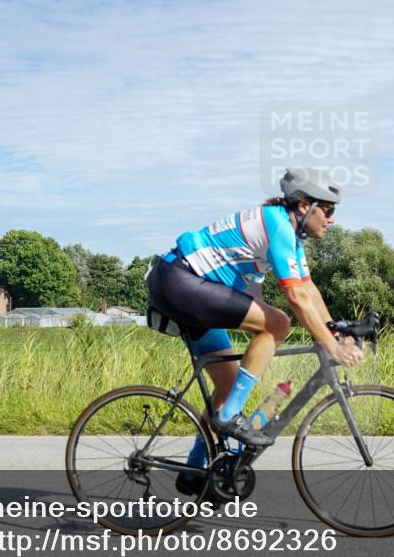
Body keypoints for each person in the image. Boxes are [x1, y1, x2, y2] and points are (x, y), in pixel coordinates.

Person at [145, 167, 364, 493]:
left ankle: (194, 470)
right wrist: (332, 347)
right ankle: (231, 416)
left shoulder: (289, 233)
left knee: (228, 382)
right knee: (279, 323)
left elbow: (308, 289)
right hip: (180, 282)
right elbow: (295, 298)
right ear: (304, 205)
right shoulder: (278, 226)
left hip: (184, 284)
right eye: (328, 210)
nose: (331, 220)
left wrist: (334, 332)